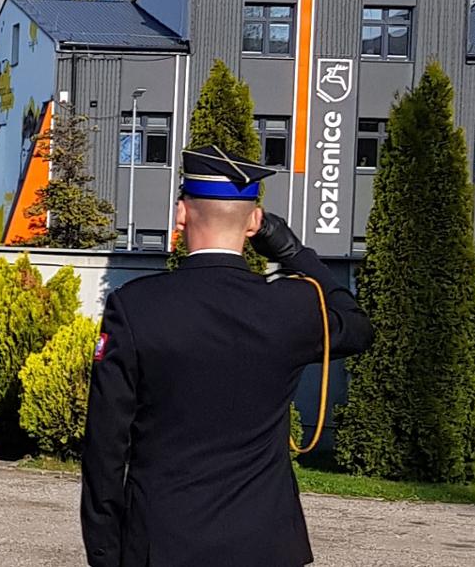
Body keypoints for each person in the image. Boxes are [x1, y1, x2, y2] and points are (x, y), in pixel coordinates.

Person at [81, 146, 374, 567]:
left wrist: (106, 552)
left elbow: (106, 445)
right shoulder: (293, 306)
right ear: (255, 221)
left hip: (164, 543)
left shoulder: (136, 307)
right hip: (267, 545)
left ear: (181, 214)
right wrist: (296, 254)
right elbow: (358, 326)